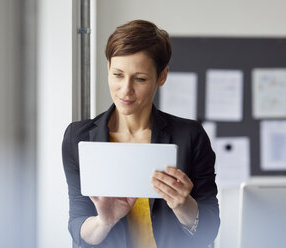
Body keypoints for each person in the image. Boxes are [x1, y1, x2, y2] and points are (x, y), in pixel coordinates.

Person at [62, 20, 220, 248]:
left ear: (162, 76)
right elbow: (77, 224)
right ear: (108, 68)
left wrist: (183, 205)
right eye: (117, 75)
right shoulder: (78, 137)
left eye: (140, 79)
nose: (126, 90)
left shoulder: (190, 136)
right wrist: (104, 221)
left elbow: (209, 229)